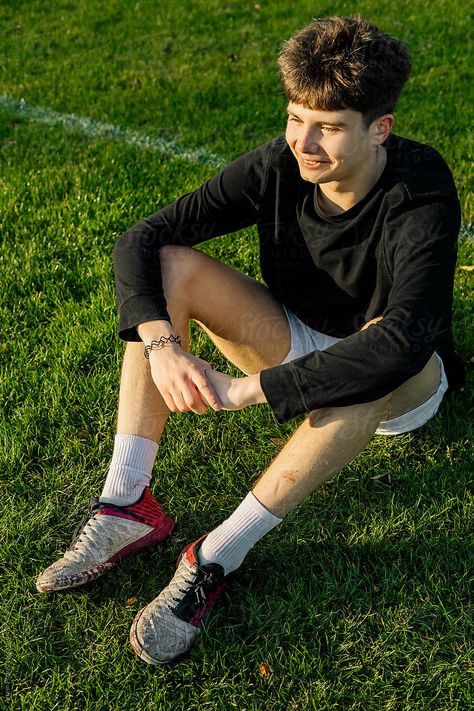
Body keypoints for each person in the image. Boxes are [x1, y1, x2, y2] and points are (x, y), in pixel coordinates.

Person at [36, 15, 464, 664]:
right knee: (173, 265)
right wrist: (162, 345)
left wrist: (248, 389)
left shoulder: (420, 188)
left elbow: (407, 339)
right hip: (295, 336)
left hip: (400, 382)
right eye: (296, 117)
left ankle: (215, 555)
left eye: (329, 126)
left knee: (376, 359)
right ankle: (127, 502)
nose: (304, 142)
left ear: (380, 129)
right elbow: (141, 241)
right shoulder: (279, 163)